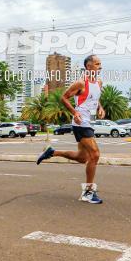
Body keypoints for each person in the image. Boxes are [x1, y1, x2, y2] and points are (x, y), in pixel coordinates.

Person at [36, 54, 104, 204]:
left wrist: (100, 107)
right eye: (97, 64)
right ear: (88, 66)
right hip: (80, 123)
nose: (100, 67)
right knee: (95, 155)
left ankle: (52, 152)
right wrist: (75, 112)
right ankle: (88, 192)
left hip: (89, 122)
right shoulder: (80, 83)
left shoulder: (99, 82)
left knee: (82, 157)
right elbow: (64, 97)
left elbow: (95, 98)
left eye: (100, 64)